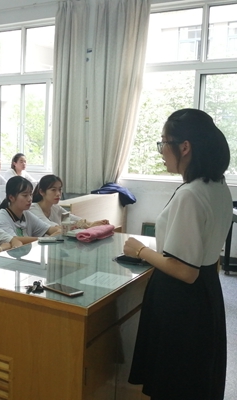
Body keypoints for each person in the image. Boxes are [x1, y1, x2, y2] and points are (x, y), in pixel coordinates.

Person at [123, 109, 232, 400]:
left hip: (182, 302)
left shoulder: (191, 194)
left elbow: (185, 270)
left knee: (175, 380)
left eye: (164, 142)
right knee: (196, 379)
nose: (161, 151)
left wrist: (140, 250)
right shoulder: (217, 186)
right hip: (207, 292)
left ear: (184, 147)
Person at [0, 176, 60, 241]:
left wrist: (59, 231)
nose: (30, 199)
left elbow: (48, 229)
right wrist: (43, 239)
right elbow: (13, 240)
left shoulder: (26, 214)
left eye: (30, 194)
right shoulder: (1, 217)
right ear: (11, 198)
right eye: (25, 195)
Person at [30, 175, 109, 229]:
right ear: (42, 192)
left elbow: (74, 219)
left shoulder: (55, 207)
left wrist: (93, 223)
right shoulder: (33, 209)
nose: (58, 193)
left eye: (60, 189)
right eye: (53, 190)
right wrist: (88, 226)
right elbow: (51, 227)